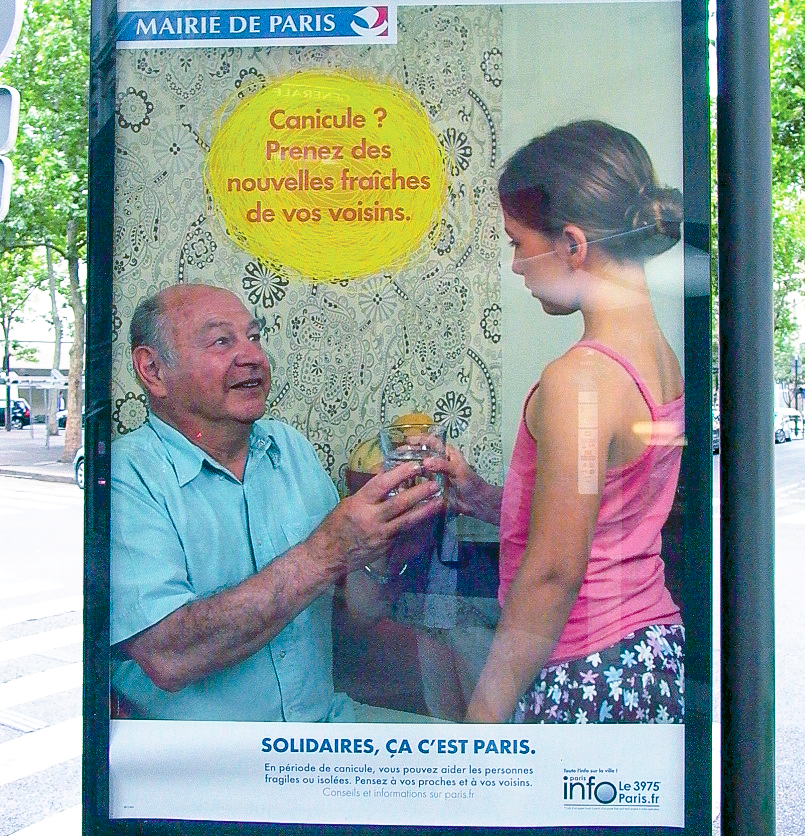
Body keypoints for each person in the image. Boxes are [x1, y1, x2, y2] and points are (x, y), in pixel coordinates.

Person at [426, 120, 686, 725]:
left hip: (588, 667)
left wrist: (483, 717)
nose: (515, 265)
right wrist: (486, 499)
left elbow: (553, 572)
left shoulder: (581, 380)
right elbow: (603, 512)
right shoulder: (657, 357)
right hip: (644, 651)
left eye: (517, 242)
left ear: (572, 244)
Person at [110, 283, 444, 721]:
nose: (252, 356)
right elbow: (169, 656)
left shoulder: (291, 449)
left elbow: (357, 609)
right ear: (152, 370)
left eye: (254, 336)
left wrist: (387, 545)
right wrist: (328, 550)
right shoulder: (126, 475)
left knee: (470, 769)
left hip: (324, 728)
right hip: (209, 766)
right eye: (221, 341)